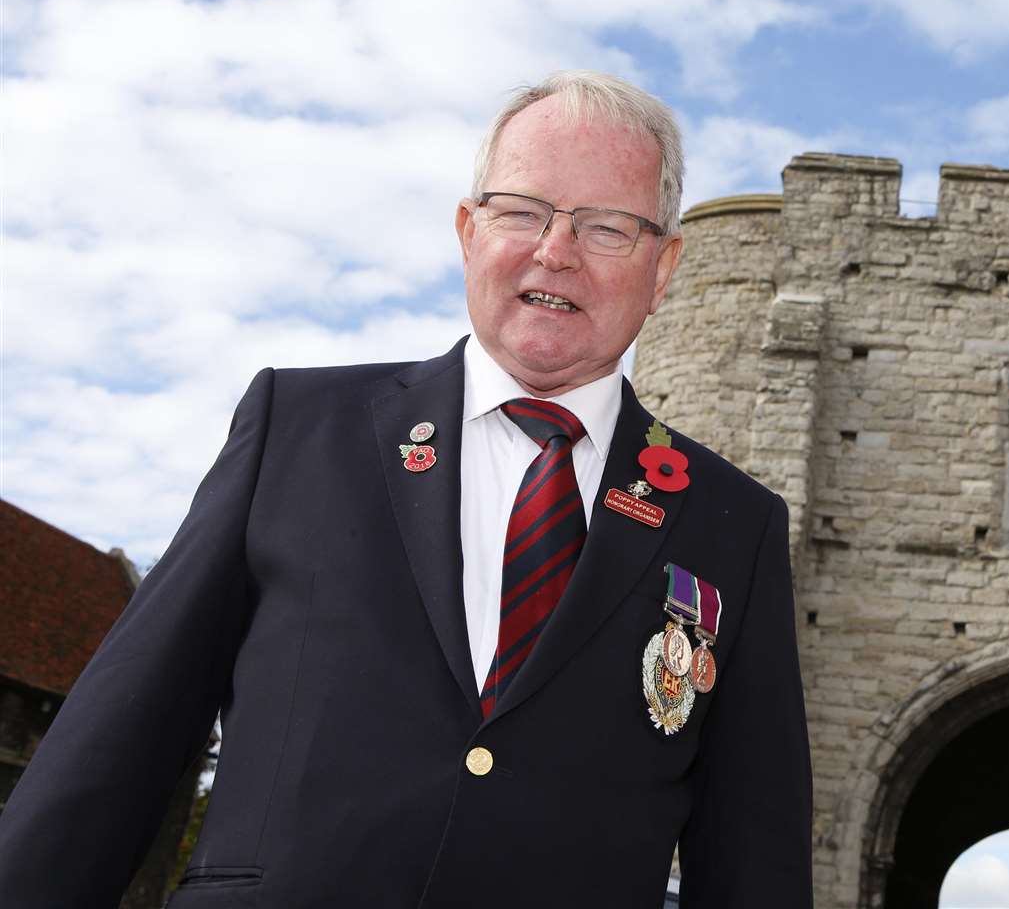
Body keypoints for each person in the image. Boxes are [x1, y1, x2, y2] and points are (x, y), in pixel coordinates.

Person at [0, 71, 814, 908]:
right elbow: (119, 741)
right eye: (523, 211)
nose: (556, 250)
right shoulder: (299, 425)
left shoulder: (732, 526)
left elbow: (754, 857)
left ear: (664, 267)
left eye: (607, 226)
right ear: (469, 231)